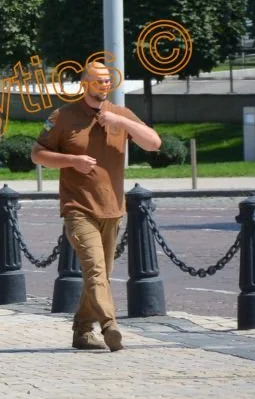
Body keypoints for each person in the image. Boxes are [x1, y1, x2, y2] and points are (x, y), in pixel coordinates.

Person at [32, 59, 161, 352]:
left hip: (113, 209)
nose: (104, 86)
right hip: (78, 209)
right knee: (95, 271)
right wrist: (71, 161)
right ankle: (109, 326)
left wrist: (123, 123)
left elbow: (154, 143)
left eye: (107, 81)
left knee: (100, 275)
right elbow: (37, 154)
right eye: (98, 81)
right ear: (85, 84)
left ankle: (81, 331)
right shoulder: (63, 117)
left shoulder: (120, 115)